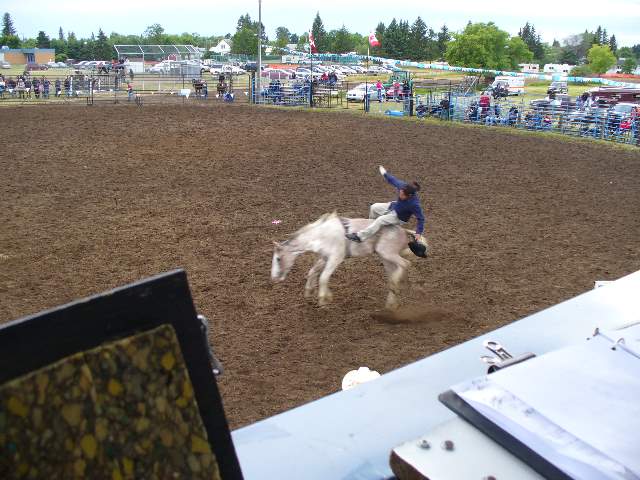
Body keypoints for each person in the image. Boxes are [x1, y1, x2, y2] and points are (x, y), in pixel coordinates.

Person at [346, 166, 425, 243]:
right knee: (373, 207)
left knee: (380, 220)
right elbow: (392, 180)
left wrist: (418, 233)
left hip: (399, 217)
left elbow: (421, 218)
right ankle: (372, 229)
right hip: (393, 206)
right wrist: (384, 173)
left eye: (403, 195)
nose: (400, 195)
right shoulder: (402, 187)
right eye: (400, 192)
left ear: (409, 196)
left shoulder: (414, 204)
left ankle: (360, 237)